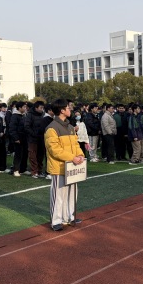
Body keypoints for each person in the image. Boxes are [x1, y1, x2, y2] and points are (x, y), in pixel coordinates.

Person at [44, 99, 85, 231]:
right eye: (68, 107)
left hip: (72, 166)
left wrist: (80, 155)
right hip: (59, 167)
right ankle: (56, 221)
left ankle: (69, 217)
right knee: (58, 195)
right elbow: (54, 150)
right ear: (62, 110)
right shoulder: (52, 128)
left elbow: (76, 144)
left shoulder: (70, 127)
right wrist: (72, 158)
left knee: (72, 193)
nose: (70, 109)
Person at [24, 101, 47, 179]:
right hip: (32, 139)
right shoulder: (30, 115)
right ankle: (34, 171)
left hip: (41, 138)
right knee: (33, 155)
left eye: (43, 108)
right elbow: (27, 126)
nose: (42, 109)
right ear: (36, 108)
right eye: (41, 108)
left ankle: (39, 171)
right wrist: (33, 134)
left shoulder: (43, 115)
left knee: (40, 156)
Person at [8, 101, 29, 177]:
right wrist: (16, 138)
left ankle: (23, 169)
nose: (25, 108)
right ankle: (15, 170)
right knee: (18, 155)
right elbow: (12, 128)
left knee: (25, 154)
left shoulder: (24, 115)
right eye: (24, 107)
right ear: (19, 108)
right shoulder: (15, 116)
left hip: (24, 138)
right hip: (18, 138)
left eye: (25, 107)